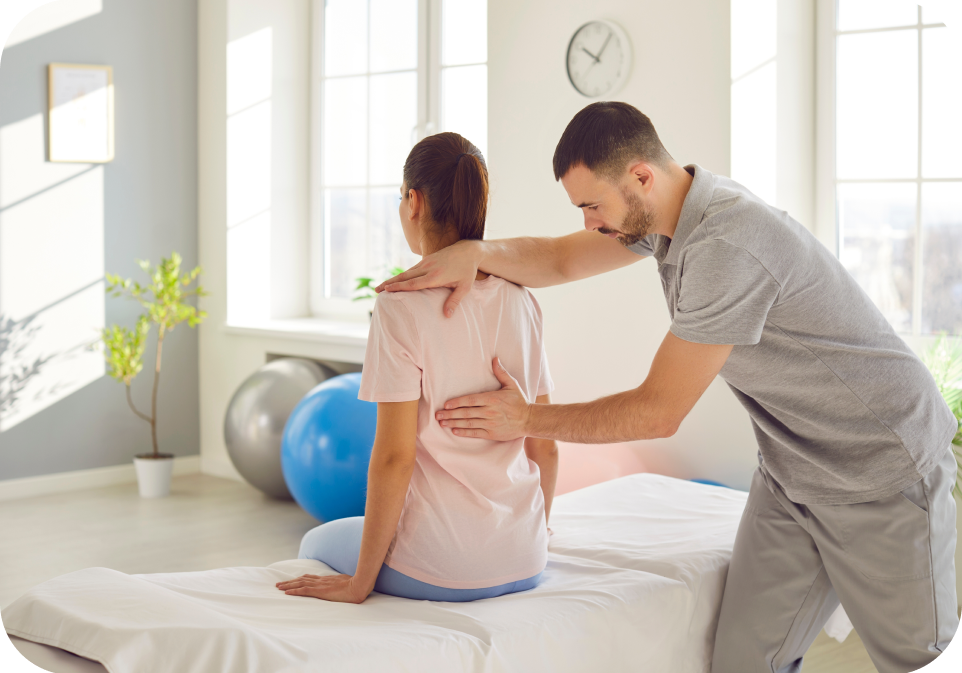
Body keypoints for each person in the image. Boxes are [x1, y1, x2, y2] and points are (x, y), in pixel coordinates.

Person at [376, 102, 959, 671]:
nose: (589, 222)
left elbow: (657, 413)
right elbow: (558, 261)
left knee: (914, 659)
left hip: (881, 465)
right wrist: (473, 254)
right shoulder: (663, 220)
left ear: (640, 177)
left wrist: (524, 419)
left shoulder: (727, 244)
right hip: (793, 472)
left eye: (592, 205)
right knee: (744, 663)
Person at [276, 132, 557, 604]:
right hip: (527, 558)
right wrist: (535, 538)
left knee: (314, 543)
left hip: (444, 567)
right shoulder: (522, 300)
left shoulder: (400, 305)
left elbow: (394, 457)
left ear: (414, 202)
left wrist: (359, 584)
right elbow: (544, 445)